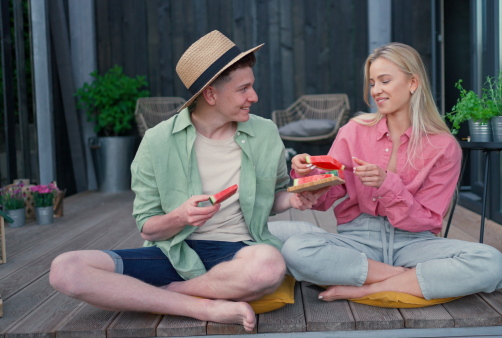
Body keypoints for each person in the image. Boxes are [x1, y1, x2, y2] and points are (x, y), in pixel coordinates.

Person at [49, 30, 324, 332]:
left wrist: (293, 198)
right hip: (173, 253)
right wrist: (180, 216)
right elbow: (147, 226)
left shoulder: (265, 132)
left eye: (252, 87)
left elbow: (274, 196)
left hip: (239, 252)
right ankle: (201, 305)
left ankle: (174, 293)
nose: (253, 97)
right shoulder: (157, 141)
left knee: (270, 264)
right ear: (210, 94)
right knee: (66, 269)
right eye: (243, 89)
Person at [282, 42, 502, 302]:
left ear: (413, 83)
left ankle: (367, 288)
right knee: (296, 249)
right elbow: (324, 199)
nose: (376, 90)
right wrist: (307, 175)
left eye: (385, 81)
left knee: (491, 262)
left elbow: (428, 220)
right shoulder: (354, 131)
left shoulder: (443, 147)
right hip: (358, 240)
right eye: (373, 83)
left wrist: (388, 184)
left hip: (415, 243)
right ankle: (403, 278)